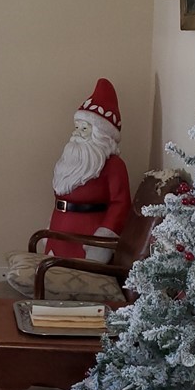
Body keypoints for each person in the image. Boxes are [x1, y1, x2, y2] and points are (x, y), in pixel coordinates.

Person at [44, 78, 132, 263]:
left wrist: (103, 240)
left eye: (84, 129)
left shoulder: (114, 165)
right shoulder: (70, 160)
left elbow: (120, 205)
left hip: (88, 239)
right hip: (59, 233)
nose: (76, 133)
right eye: (76, 127)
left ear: (101, 135)